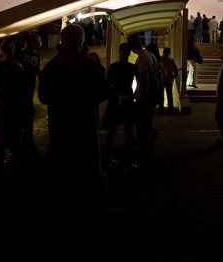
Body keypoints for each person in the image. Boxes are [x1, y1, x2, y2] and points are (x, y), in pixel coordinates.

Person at [38, 23, 110, 216]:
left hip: (59, 124)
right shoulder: (91, 66)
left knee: (59, 166)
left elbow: (43, 97)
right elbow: (103, 93)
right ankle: (98, 209)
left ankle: (57, 207)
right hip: (84, 123)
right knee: (92, 167)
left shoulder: (51, 66)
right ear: (82, 41)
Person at [0, 40, 27, 170]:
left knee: (5, 131)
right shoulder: (18, 66)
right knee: (8, 130)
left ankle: (13, 157)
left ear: (2, 52)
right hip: (15, 103)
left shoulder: (0, 66)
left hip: (4, 103)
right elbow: (21, 87)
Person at [127, 34, 162, 164]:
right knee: (147, 123)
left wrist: (138, 96)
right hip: (153, 96)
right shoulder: (150, 55)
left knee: (142, 125)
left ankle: (145, 151)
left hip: (145, 98)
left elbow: (143, 80)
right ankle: (149, 144)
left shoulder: (140, 59)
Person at [103, 42, 136, 166]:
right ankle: (127, 154)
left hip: (115, 100)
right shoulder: (133, 67)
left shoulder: (112, 67)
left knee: (112, 128)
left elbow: (108, 84)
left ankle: (108, 153)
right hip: (128, 99)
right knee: (128, 128)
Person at [15, 32, 42, 158]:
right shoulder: (20, 54)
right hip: (20, 89)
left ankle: (27, 138)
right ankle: (23, 141)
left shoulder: (36, 55)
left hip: (29, 89)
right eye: (37, 41)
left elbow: (37, 70)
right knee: (25, 113)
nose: (39, 43)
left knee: (29, 113)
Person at [160, 47, 179, 114]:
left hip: (161, 80)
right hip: (169, 80)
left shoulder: (159, 60)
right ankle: (170, 109)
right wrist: (173, 76)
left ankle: (161, 108)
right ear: (169, 53)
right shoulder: (171, 60)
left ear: (163, 52)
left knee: (161, 95)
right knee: (169, 95)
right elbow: (176, 70)